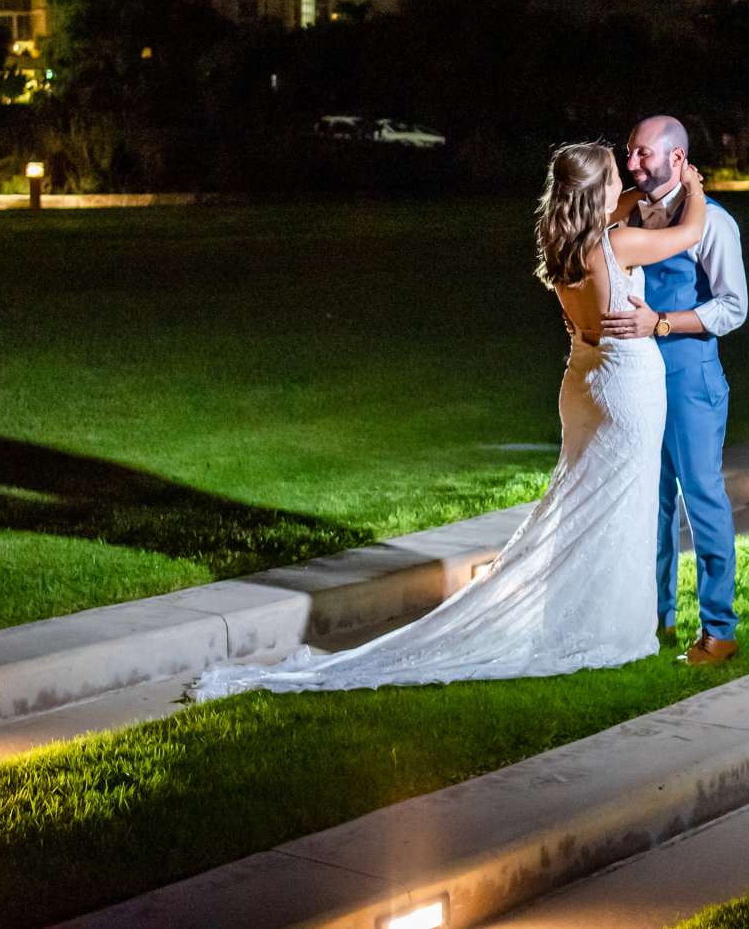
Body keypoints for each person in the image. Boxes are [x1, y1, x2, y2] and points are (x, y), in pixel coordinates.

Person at [190, 145, 708, 696]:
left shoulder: (566, 241)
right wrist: (692, 185)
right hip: (625, 387)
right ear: (599, 192)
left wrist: (641, 192)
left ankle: (575, 614)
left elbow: (614, 207)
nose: (624, 182)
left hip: (582, 384)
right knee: (616, 509)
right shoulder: (619, 242)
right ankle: (607, 629)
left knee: (580, 507)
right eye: (615, 176)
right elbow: (688, 233)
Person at [600, 115, 749, 665]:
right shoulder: (628, 218)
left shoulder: (715, 225)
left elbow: (733, 309)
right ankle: (657, 619)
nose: (632, 162)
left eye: (643, 154)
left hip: (689, 376)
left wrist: (660, 322)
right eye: (630, 153)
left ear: (677, 160)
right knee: (651, 502)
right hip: (636, 380)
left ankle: (719, 629)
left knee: (702, 498)